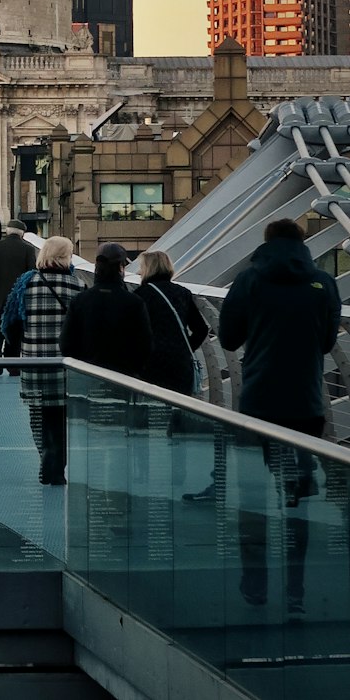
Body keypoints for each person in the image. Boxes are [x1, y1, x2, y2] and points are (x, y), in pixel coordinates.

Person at [218, 218, 341, 612]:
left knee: (253, 498)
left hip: (258, 404)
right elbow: (326, 342)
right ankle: (296, 590)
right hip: (306, 406)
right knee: (297, 500)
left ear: (266, 242)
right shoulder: (323, 283)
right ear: (303, 242)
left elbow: (228, 338)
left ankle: (255, 587)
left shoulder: (249, 280)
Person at [16, 236, 86, 485]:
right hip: (64, 365)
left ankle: (45, 458)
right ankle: (56, 465)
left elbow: (12, 323)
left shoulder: (27, 284)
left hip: (33, 362)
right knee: (61, 418)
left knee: (38, 416)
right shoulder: (77, 286)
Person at [59, 242, 153, 377]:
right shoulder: (134, 302)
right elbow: (145, 346)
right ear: (121, 268)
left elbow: (66, 344)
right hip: (124, 378)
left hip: (86, 376)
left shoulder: (80, 300)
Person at [136, 250, 209, 394]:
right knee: (179, 408)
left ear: (149, 268)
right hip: (180, 364)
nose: (139, 271)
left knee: (153, 408)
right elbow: (201, 329)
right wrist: (185, 348)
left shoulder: (141, 295)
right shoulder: (183, 293)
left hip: (152, 364)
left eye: (142, 267)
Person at [0, 222, 37, 373]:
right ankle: (12, 364)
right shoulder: (28, 249)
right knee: (14, 329)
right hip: (17, 297)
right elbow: (31, 273)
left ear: (7, 231)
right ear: (22, 233)